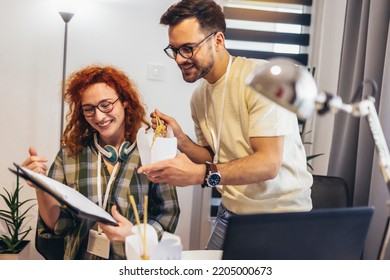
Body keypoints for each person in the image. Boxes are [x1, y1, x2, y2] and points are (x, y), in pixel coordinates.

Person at [138, 0, 313, 250]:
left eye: (188, 48)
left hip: (281, 218)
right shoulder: (199, 97)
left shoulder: (261, 80)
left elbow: (268, 163)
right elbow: (212, 155)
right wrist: (181, 140)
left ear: (218, 41)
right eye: (174, 50)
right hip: (230, 212)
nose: (179, 59)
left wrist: (199, 174)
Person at [21, 65, 180, 259]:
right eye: (89, 109)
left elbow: (168, 214)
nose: (99, 116)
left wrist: (135, 236)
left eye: (106, 105)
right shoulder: (69, 156)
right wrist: (40, 187)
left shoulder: (153, 152)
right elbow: (58, 225)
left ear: (125, 102)